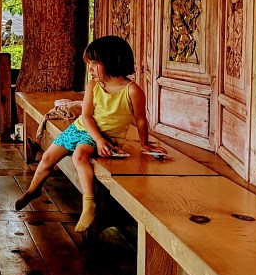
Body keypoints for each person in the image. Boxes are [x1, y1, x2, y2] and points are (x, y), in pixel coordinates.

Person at [15, 35, 164, 233]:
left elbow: (141, 119)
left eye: (95, 63)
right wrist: (97, 137)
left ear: (112, 62)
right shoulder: (93, 85)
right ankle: (34, 189)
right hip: (82, 128)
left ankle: (89, 204)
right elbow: (86, 116)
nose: (90, 68)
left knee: (80, 154)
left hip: (108, 137)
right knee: (48, 156)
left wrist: (144, 143)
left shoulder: (132, 91)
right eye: (89, 63)